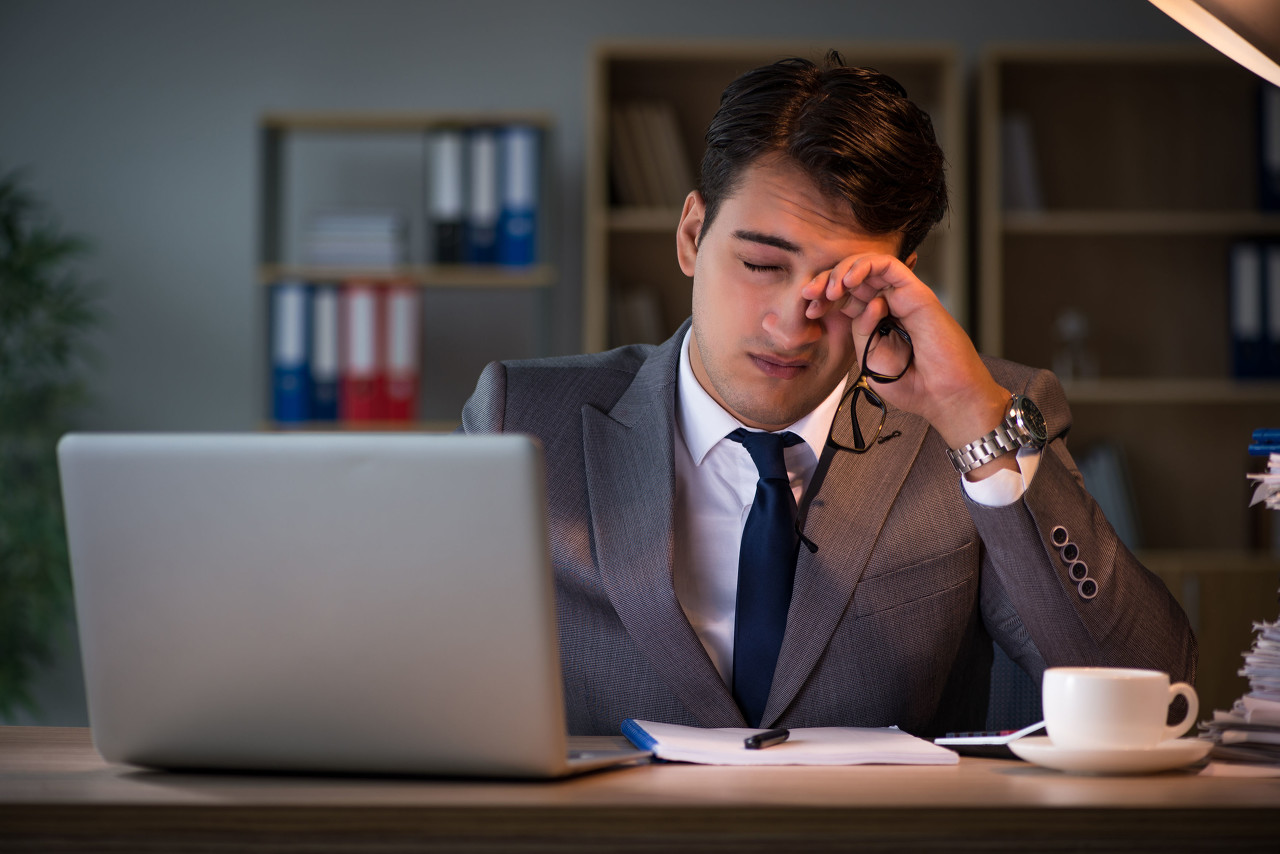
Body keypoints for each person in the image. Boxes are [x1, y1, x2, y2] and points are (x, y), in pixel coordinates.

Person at [460, 53, 1196, 737]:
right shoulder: (520, 420)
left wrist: (973, 420)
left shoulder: (981, 421)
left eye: (845, 286)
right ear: (691, 235)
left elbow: (1156, 697)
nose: (792, 325)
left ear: (903, 282)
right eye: (760, 265)